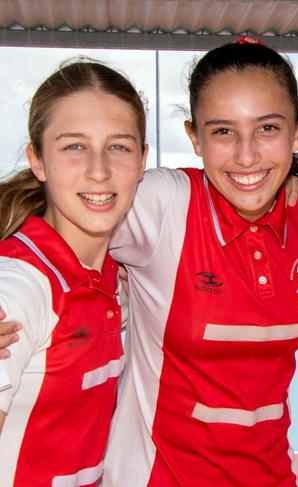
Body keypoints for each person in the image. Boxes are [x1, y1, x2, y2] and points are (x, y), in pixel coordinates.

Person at [101, 41, 298, 486]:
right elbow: (63, 226)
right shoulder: (165, 203)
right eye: (223, 132)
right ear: (194, 137)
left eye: (268, 128)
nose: (246, 155)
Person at [0, 61, 147, 486]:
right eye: (74, 147)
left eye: (119, 147)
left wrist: (291, 182)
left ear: (142, 161)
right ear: (38, 161)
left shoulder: (117, 276)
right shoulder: (22, 286)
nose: (98, 170)